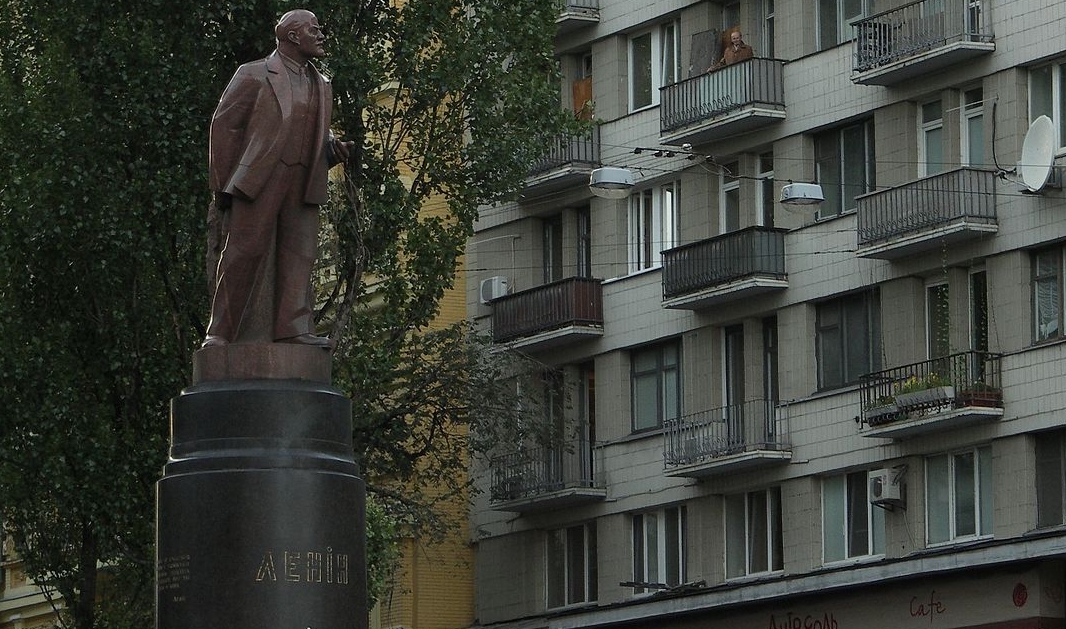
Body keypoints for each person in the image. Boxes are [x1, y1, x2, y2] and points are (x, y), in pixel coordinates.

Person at [203, 9, 352, 349]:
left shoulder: (322, 83)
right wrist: (223, 187)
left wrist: (332, 148)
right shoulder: (254, 74)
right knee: (243, 252)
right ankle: (220, 331)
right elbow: (224, 126)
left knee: (300, 254)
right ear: (292, 36)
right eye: (313, 29)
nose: (321, 35)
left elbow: (315, 131)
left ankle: (293, 329)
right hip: (259, 179)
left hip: (304, 179)